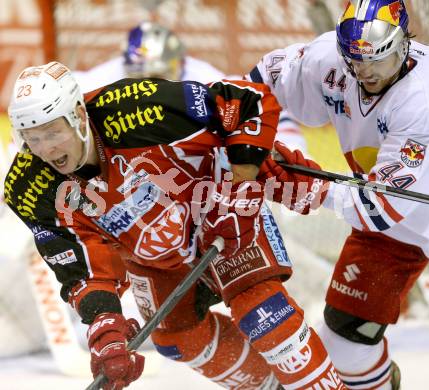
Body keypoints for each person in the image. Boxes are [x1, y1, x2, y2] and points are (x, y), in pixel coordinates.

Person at [5, 62, 346, 389]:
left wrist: (241, 187)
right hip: (151, 253)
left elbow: (245, 100)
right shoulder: (29, 188)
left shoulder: (140, 109)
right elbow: (82, 271)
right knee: (178, 338)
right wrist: (106, 330)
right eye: (32, 138)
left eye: (53, 132)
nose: (46, 149)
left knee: (264, 315)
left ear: (78, 116)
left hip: (220, 215)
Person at [249, 0, 429, 388]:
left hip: (405, 208)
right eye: (356, 62)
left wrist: (311, 188)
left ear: (404, 46)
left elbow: (381, 206)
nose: (366, 73)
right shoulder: (331, 60)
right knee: (345, 342)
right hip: (400, 225)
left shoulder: (426, 100)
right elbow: (259, 81)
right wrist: (241, 135)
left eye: (379, 62)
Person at [73, 21, 308, 153]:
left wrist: (292, 150)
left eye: (158, 74)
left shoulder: (203, 78)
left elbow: (260, 104)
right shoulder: (104, 78)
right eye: (142, 76)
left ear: (180, 63)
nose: (152, 85)